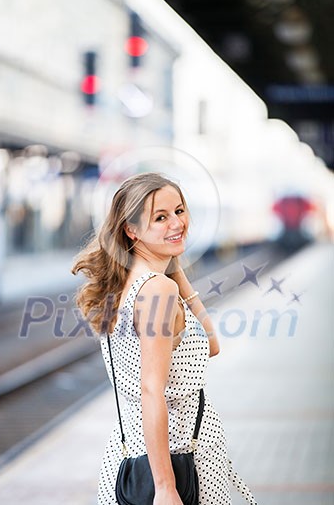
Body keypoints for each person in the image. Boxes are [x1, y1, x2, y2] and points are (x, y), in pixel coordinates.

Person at [72, 172, 257, 505]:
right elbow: (150, 389)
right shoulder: (157, 290)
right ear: (131, 230)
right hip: (180, 458)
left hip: (129, 453)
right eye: (160, 217)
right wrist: (165, 487)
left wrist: (175, 270)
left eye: (179, 210)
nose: (177, 223)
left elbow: (211, 346)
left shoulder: (129, 284)